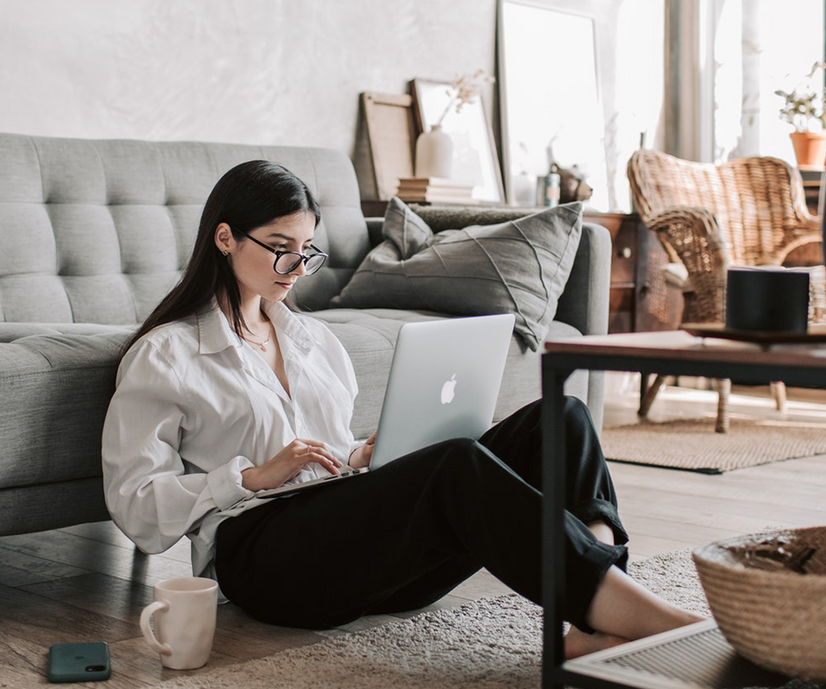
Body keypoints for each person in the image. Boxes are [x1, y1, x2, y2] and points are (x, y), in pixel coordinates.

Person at [101, 160, 702, 657]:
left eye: (306, 252)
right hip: (262, 559)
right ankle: (650, 620)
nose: (295, 269)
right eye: (280, 249)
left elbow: (326, 452)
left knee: (561, 417)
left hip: (355, 551)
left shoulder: (314, 342)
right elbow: (135, 503)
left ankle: (595, 618)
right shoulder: (169, 353)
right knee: (457, 466)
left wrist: (363, 457)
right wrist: (249, 477)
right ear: (225, 237)